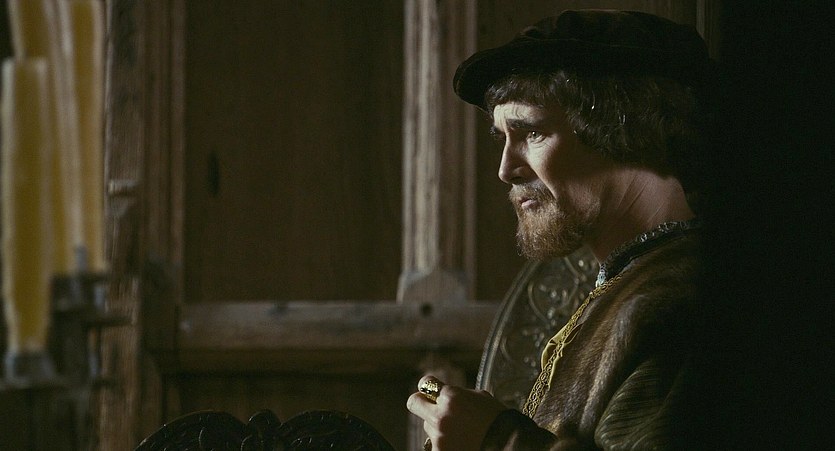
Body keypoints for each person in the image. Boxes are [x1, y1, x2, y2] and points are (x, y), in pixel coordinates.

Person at [407, 9, 718, 450]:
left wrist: (497, 439)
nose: (505, 170)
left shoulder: (690, 299)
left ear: (623, 125)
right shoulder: (633, 282)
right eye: (503, 138)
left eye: (531, 133)